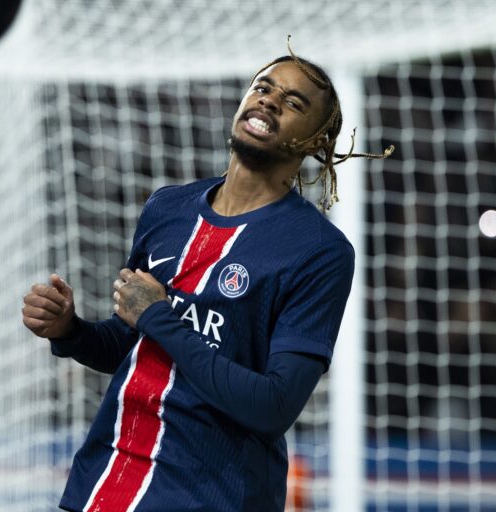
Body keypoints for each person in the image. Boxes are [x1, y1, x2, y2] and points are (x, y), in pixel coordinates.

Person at [21, 43, 391, 512]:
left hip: (210, 495)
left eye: (293, 102)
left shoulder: (319, 251)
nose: (269, 100)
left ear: (316, 142)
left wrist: (159, 317)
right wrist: (71, 331)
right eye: (262, 87)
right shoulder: (167, 207)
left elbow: (273, 405)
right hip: (103, 484)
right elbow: (134, 346)